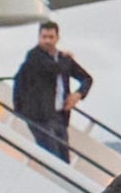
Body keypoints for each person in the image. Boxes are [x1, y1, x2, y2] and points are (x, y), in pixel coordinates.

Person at [9, 21, 94, 164]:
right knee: (52, 156)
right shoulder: (35, 56)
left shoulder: (62, 58)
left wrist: (78, 94)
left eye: (51, 37)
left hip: (59, 115)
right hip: (40, 115)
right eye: (44, 37)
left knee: (64, 158)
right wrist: (67, 59)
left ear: (57, 38)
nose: (47, 41)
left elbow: (87, 78)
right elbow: (52, 69)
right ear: (39, 37)